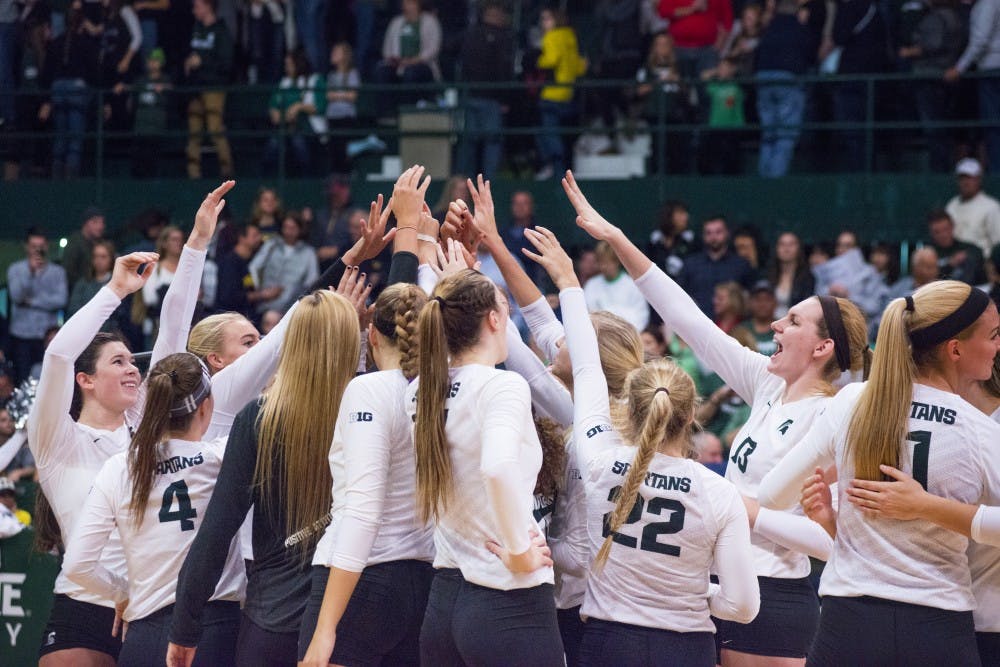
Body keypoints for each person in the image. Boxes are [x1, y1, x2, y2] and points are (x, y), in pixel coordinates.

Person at [561, 169, 869, 667]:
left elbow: (829, 541)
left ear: (822, 345)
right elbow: (688, 320)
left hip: (774, 595)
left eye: (791, 321)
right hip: (717, 584)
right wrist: (617, 238)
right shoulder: (768, 383)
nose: (774, 324)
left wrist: (747, 510)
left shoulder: (836, 414)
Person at [523, 224, 760, 666]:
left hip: (607, 643)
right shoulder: (719, 492)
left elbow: (589, 368)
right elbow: (744, 607)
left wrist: (569, 282)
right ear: (690, 417)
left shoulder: (599, 462)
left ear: (629, 409)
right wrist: (695, 589)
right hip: (685, 647)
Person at [28, 184, 230, 667]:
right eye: (118, 362)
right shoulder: (58, 440)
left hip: (152, 611)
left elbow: (174, 330)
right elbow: (57, 353)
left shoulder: (143, 428)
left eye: (131, 362)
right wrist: (115, 290)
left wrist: (197, 245)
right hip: (85, 605)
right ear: (86, 380)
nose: (133, 369)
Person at [758, 281, 1000, 666]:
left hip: (847, 624)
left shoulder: (852, 402)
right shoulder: (979, 429)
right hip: (938, 626)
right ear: (955, 349)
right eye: (994, 335)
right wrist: (929, 507)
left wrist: (836, 518)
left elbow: (772, 494)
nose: (998, 345)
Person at [167, 290, 361, 667]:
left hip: (273, 617)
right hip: (351, 614)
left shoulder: (259, 417)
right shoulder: (370, 407)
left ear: (291, 342)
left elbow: (217, 531)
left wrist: (184, 629)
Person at [407, 267, 563, 665]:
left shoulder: (421, 390)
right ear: (494, 319)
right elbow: (497, 467)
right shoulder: (501, 386)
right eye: (505, 310)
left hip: (444, 599)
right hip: (507, 597)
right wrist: (519, 551)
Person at [62, 353, 243, 667]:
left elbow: (77, 565)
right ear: (206, 406)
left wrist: (121, 593)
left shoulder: (119, 467)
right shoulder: (224, 456)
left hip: (144, 638)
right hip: (212, 633)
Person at [456, 1, 514, 180]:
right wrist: (505, 98)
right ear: (492, 14)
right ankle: (488, 182)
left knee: (471, 142)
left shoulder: (470, 34)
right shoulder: (502, 37)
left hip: (471, 95)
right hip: (489, 97)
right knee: (490, 142)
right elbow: (504, 69)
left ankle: (467, 180)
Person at [8, 227, 68, 383]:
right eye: (34, 246)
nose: (37, 250)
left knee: (51, 379)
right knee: (22, 380)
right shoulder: (16, 270)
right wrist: (30, 272)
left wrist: (31, 302)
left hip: (48, 337)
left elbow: (61, 300)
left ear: (46, 246)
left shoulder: (58, 272)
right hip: (22, 336)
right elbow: (17, 296)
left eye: (40, 246)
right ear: (26, 246)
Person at [946, 0, 1000, 170]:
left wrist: (959, 68)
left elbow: (980, 40)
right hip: (990, 69)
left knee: (992, 127)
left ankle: (997, 172)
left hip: (992, 69)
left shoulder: (988, 4)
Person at [534, 7, 587, 180]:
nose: (544, 23)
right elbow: (580, 67)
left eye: (547, 18)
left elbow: (551, 60)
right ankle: (562, 169)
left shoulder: (551, 36)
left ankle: (555, 170)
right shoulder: (571, 36)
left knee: (547, 133)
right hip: (568, 93)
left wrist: (538, 60)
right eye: (543, 19)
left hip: (552, 93)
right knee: (558, 134)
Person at [184, 0, 234, 179]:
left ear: (208, 6)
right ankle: (193, 175)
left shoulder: (221, 31)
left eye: (197, 6)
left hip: (214, 87)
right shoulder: (196, 30)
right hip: (195, 89)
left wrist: (202, 62)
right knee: (194, 133)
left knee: (215, 130)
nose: (194, 10)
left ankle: (227, 173)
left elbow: (226, 63)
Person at [677, 216, 755, 319]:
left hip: (733, 328)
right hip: (697, 323)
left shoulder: (741, 265)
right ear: (703, 236)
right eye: (708, 233)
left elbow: (749, 299)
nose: (713, 237)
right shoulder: (690, 264)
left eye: (718, 232)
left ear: (727, 233)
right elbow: (679, 296)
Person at [372, 0, 441, 116]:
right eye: (405, 3)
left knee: (411, 73)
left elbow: (433, 49)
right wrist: (395, 60)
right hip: (398, 65)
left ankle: (407, 113)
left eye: (410, 3)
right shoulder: (396, 22)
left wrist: (412, 61)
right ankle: (386, 116)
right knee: (382, 72)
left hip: (423, 66)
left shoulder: (430, 21)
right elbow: (387, 49)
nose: (407, 6)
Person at [249, 212, 320, 314]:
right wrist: (260, 291)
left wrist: (298, 301)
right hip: (265, 306)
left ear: (300, 230)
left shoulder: (309, 253)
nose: (288, 231)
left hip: (292, 310)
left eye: (293, 228)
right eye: (286, 227)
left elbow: (312, 282)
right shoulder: (271, 245)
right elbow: (254, 267)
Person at [215, 222, 281, 321]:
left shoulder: (251, 261)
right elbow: (229, 296)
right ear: (242, 238)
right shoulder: (230, 262)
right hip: (229, 318)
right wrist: (263, 295)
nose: (259, 238)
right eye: (255, 235)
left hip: (247, 315)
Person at [583, 241, 650, 331]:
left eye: (607, 262)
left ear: (617, 262)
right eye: (600, 262)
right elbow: (587, 314)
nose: (603, 267)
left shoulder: (632, 285)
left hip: (627, 337)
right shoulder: (591, 285)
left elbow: (641, 315)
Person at [945, 158, 1000, 258]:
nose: (966, 182)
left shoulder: (991, 207)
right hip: (953, 262)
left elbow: (997, 242)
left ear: (978, 179)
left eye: (970, 178)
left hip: (981, 264)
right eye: (962, 178)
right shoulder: (951, 205)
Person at [325, 42, 360, 173]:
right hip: (332, 117)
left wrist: (336, 95)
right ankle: (335, 181)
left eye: (336, 52)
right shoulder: (331, 75)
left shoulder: (352, 73)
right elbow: (328, 95)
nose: (332, 54)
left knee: (344, 150)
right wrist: (343, 94)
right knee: (333, 150)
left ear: (345, 56)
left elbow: (352, 96)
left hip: (346, 118)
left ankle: (347, 178)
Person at [927, 208, 986, 285]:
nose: (943, 235)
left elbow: (978, 255)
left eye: (946, 229)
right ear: (931, 232)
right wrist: (949, 264)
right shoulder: (928, 254)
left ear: (952, 227)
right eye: (937, 232)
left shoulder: (968, 248)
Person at [766, 231, 814, 318]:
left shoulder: (808, 279)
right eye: (782, 244)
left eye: (791, 244)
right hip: (769, 324)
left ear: (799, 249)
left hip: (796, 324)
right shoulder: (767, 276)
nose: (786, 248)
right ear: (776, 248)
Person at [63, 206, 107, 292]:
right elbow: (68, 273)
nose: (100, 226)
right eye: (95, 222)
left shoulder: (101, 243)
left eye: (102, 222)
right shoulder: (75, 243)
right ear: (86, 223)